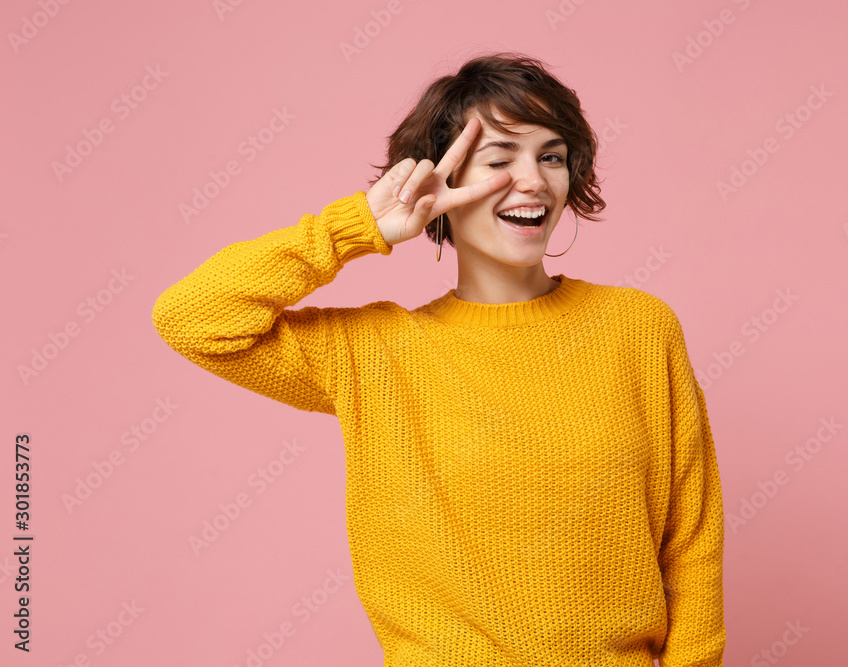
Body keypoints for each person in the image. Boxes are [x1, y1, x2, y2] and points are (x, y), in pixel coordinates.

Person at [152, 51, 726, 666]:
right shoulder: (374, 352)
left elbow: (690, 541)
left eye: (551, 156)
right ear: (442, 187)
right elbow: (193, 317)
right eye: (499, 160)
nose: (532, 180)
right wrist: (359, 225)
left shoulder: (638, 328)